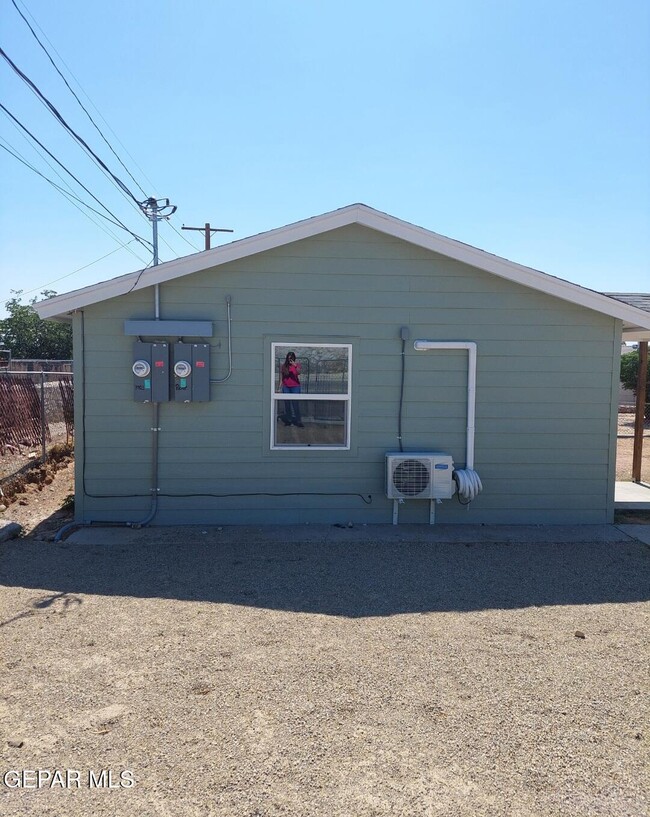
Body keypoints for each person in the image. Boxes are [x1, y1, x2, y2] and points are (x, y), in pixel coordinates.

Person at [279, 352, 304, 427]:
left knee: (295, 404)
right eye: (289, 358)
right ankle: (289, 420)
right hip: (286, 386)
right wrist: (279, 387)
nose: (290, 359)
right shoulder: (284, 366)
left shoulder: (297, 365)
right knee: (287, 404)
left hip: (295, 386)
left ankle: (298, 420)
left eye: (291, 358)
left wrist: (295, 365)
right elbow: (282, 377)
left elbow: (299, 372)